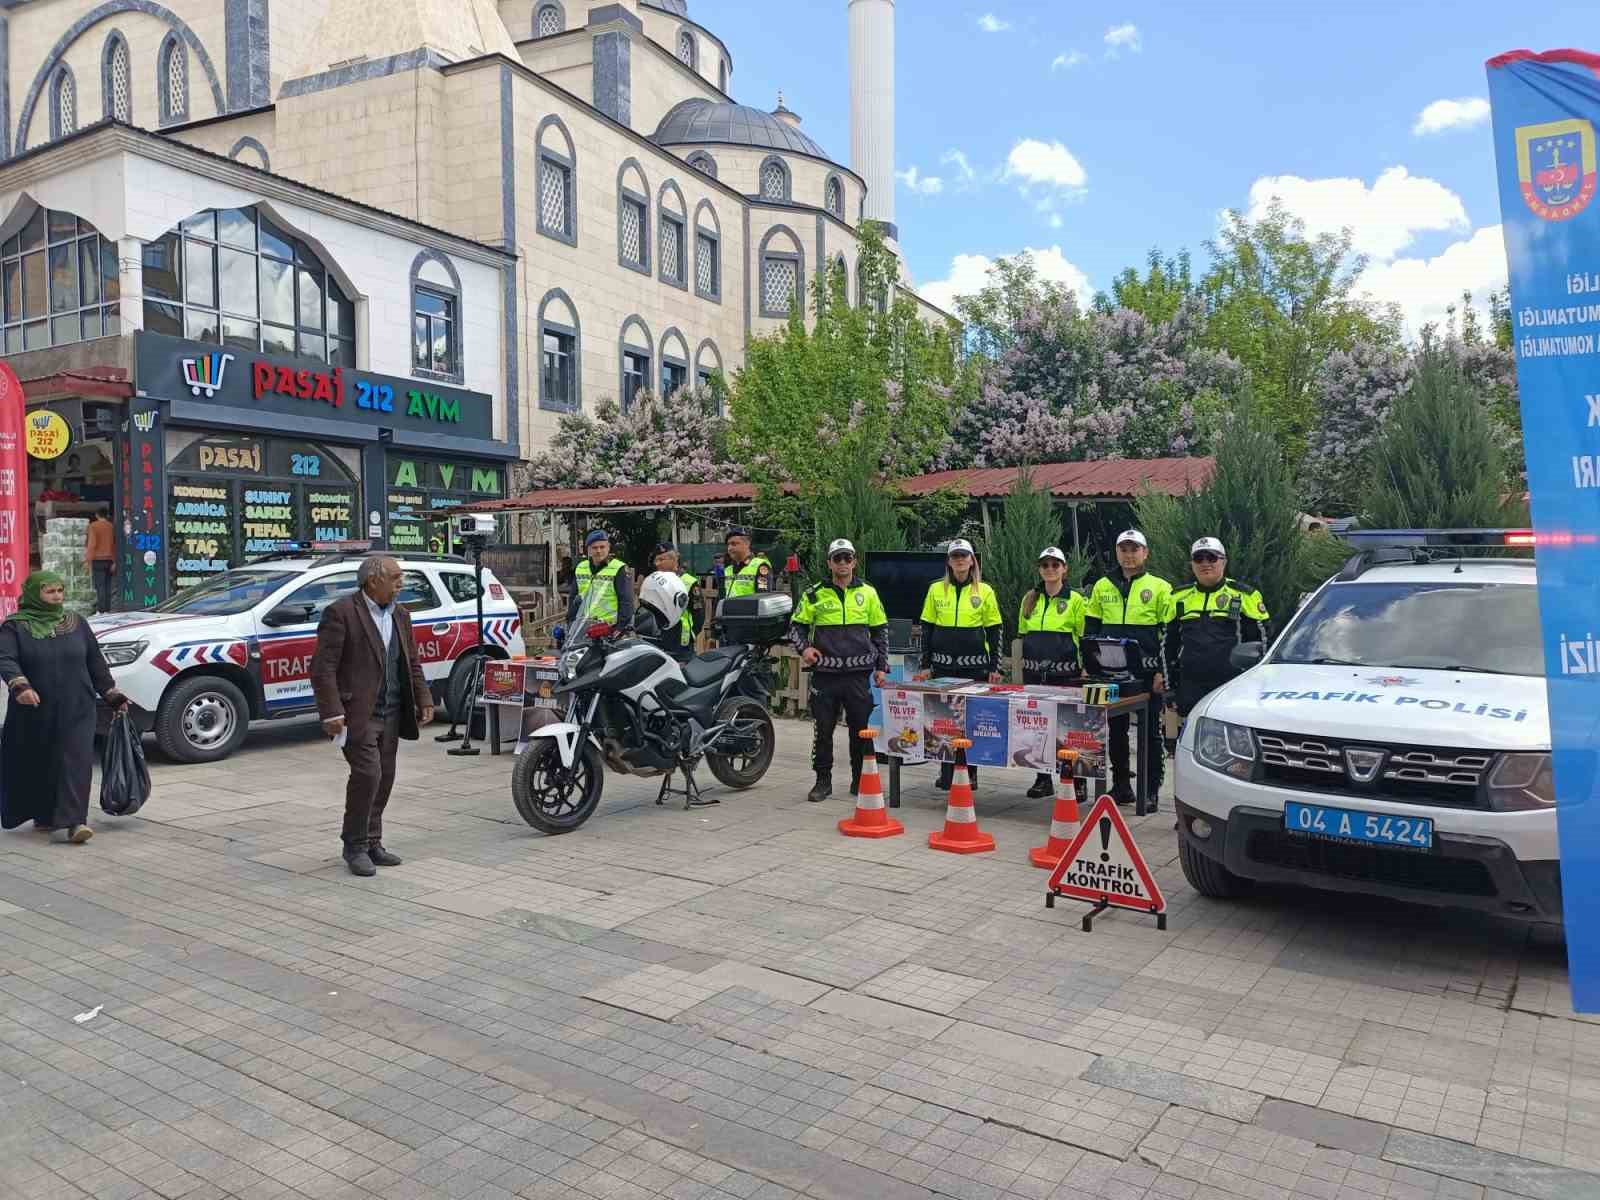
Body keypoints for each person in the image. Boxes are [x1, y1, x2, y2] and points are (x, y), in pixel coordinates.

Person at [310, 555, 434, 877]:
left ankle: (372, 842)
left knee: (386, 776)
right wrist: (331, 711)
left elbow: (411, 661)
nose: (401, 584)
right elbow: (323, 669)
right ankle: (354, 846)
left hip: (393, 711)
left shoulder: (401, 615)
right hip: (357, 714)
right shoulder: (341, 613)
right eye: (395, 578)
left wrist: (423, 698)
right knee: (368, 775)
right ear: (373, 581)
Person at [0, 571, 129, 843]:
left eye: (59, 591)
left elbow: (95, 662)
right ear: (35, 594)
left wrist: (111, 693)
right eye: (50, 591)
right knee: (42, 762)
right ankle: (45, 815)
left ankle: (74, 822)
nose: (57, 596)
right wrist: (20, 686)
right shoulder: (16, 626)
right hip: (34, 710)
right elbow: (6, 658)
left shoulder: (76, 623)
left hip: (78, 707)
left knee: (76, 761)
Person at [790, 539, 889, 802]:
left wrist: (881, 667)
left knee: (861, 730)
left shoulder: (868, 592)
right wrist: (805, 650)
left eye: (847, 558)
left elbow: (880, 632)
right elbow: (796, 626)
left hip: (858, 675)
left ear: (855, 561)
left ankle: (860, 780)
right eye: (837, 558)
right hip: (825, 674)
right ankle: (823, 782)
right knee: (823, 731)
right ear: (829, 563)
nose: (843, 563)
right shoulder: (814, 593)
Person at [1084, 530, 1172, 808]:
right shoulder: (1102, 585)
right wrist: (1089, 666)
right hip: (1109, 674)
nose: (1129, 554)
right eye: (1124, 549)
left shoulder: (1159, 587)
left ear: (1145, 553)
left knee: (1151, 734)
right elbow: (1091, 628)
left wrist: (1161, 670)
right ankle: (1121, 784)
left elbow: (1168, 633)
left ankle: (1150, 790)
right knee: (1114, 730)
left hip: (1146, 674)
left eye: (1134, 549)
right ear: (1117, 552)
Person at [915, 539, 1003, 789]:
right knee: (943, 721)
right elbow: (926, 628)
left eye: (964, 555)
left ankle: (969, 773)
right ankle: (946, 772)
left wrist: (995, 667)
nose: (960, 560)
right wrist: (925, 664)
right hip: (942, 668)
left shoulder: (984, 591)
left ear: (972, 559)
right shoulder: (935, 590)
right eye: (955, 556)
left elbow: (995, 630)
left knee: (970, 722)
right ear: (949, 561)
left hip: (974, 667)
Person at [1163, 537, 1270, 720]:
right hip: (1190, 684)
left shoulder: (1244, 595)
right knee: (1189, 738)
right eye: (1199, 559)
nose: (1205, 563)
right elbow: (1168, 645)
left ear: (1224, 562)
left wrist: (1256, 684)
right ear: (1192, 564)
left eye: (1212, 558)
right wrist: (1169, 686)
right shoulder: (1178, 597)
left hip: (1230, 684)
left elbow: (1263, 643)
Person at [1018, 546, 1086, 799]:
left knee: (1070, 728)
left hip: (1066, 674)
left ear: (1064, 569)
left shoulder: (1076, 600)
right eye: (1045, 565)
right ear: (1040, 569)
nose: (1050, 569)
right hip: (1035, 675)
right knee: (1039, 728)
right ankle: (1043, 779)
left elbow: (1083, 637)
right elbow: (1023, 636)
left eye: (1055, 565)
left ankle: (1076, 781)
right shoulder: (1029, 599)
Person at [568, 530, 634, 628]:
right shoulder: (580, 568)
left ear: (608, 548)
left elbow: (625, 601)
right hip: (583, 627)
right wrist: (570, 622)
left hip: (608, 627)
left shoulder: (619, 568)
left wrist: (619, 629)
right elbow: (573, 597)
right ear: (589, 550)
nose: (598, 551)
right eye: (594, 548)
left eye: (602, 547)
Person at [651, 541, 703, 661]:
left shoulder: (689, 582)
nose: (657, 564)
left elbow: (699, 616)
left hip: (681, 645)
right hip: (659, 641)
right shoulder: (655, 582)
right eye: (656, 560)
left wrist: (689, 636)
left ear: (675, 559)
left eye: (662, 559)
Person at [722, 528, 774, 598]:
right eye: (728, 545)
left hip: (751, 608)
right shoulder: (728, 569)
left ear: (747, 544)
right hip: (729, 608)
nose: (729, 548)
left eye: (734, 544)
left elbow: (762, 597)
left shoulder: (761, 565)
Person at [86, 506, 115, 614]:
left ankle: (101, 610)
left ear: (97, 515)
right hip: (109, 560)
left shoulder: (93, 526)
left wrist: (88, 559)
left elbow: (92, 544)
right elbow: (114, 544)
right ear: (107, 515)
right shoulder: (111, 526)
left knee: (100, 586)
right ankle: (107, 609)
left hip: (98, 560)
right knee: (107, 585)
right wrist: (115, 561)